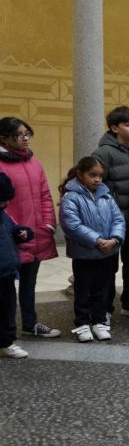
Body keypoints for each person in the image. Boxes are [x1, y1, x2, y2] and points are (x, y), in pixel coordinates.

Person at [0, 117, 60, 339]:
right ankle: (6, 334)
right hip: (10, 235)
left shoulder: (34, 163)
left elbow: (45, 195)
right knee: (5, 288)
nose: (25, 139)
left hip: (35, 232)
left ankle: (30, 323)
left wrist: (48, 224)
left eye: (28, 134)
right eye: (19, 135)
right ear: (4, 138)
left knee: (29, 284)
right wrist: (12, 230)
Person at [59, 157, 125, 343]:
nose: (97, 179)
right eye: (92, 175)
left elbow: (118, 219)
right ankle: (82, 323)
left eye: (100, 176)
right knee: (83, 291)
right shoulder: (71, 197)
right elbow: (72, 225)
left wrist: (114, 239)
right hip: (84, 255)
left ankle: (99, 321)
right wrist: (97, 240)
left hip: (106, 253)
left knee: (102, 290)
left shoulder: (106, 196)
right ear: (80, 174)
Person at [92, 105, 129, 318]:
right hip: (111, 221)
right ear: (115, 128)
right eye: (127, 124)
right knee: (108, 266)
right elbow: (95, 184)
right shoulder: (103, 153)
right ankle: (105, 308)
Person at [0, 173, 34, 358]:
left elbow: (13, 229)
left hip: (7, 272)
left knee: (7, 309)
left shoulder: (4, 215)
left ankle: (6, 343)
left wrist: (24, 233)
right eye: (2, 200)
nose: (6, 204)